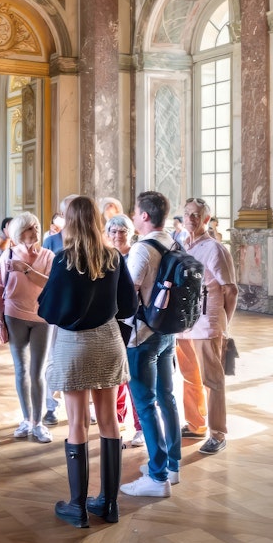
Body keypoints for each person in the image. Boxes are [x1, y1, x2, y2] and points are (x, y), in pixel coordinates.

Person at [37, 196, 136, 528]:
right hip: (108, 342)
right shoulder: (113, 257)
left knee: (77, 424)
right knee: (109, 422)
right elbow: (128, 307)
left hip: (74, 345)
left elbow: (47, 310)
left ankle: (78, 507)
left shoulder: (64, 259)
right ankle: (109, 504)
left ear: (70, 222)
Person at [120, 191, 183, 499]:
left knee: (145, 404)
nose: (133, 217)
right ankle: (172, 465)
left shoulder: (142, 250)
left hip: (142, 335)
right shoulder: (172, 241)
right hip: (166, 330)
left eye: (135, 212)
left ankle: (157, 477)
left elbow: (127, 296)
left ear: (144, 216)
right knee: (167, 397)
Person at [177, 197, 237, 455]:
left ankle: (217, 432)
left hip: (207, 321)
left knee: (212, 380)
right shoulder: (179, 245)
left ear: (206, 219)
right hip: (182, 324)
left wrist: (223, 322)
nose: (191, 218)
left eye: (196, 214)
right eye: (188, 213)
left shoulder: (215, 249)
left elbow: (230, 289)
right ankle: (196, 423)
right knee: (189, 377)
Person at [0, 212, 55, 444]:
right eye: (30, 229)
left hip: (42, 317)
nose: (35, 232)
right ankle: (26, 418)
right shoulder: (7, 255)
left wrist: (26, 269)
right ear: (20, 234)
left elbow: (51, 285)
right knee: (21, 369)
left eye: (37, 227)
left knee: (37, 372)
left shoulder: (49, 256)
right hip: (14, 315)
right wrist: (0, 321)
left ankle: (38, 423)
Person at [105, 214, 144, 448]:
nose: (118, 236)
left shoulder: (137, 255)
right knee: (114, 378)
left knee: (133, 379)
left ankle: (139, 427)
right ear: (107, 233)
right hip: (111, 322)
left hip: (133, 322)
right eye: (114, 231)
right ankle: (116, 423)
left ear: (131, 234)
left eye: (123, 232)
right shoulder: (105, 257)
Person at [40, 194, 78, 426]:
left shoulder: (91, 242)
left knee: (81, 359)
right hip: (58, 308)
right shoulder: (52, 241)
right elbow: (45, 277)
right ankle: (51, 404)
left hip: (81, 309)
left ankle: (87, 405)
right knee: (53, 357)